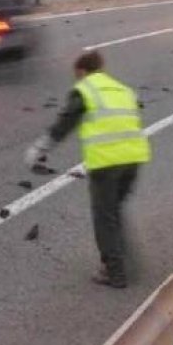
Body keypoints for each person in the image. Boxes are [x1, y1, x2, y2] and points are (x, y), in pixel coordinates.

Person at [25, 50, 149, 288]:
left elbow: (65, 123)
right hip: (134, 159)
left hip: (106, 162)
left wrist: (39, 148)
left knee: (104, 218)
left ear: (82, 71)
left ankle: (115, 272)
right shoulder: (122, 89)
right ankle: (123, 260)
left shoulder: (85, 89)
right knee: (113, 212)